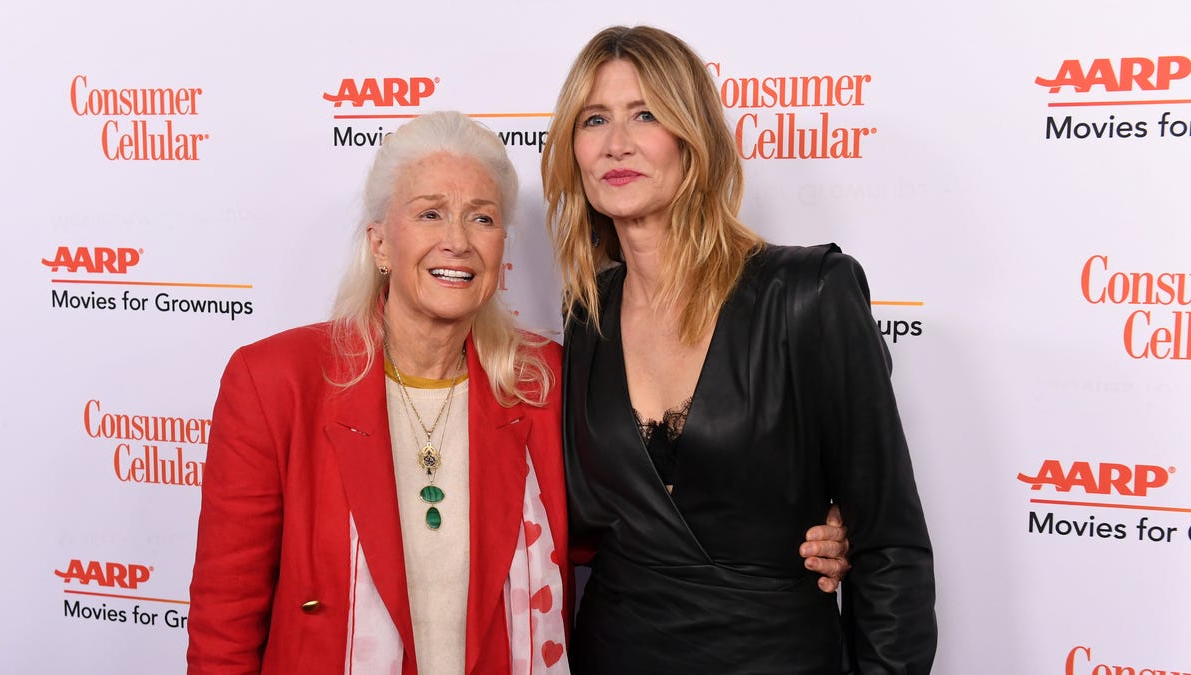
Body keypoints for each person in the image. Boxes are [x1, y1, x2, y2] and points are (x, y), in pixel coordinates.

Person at [541, 25, 937, 674]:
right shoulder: (587, 314)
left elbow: (890, 546)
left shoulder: (808, 294)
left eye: (645, 114)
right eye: (594, 119)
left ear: (691, 137)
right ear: (572, 147)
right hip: (614, 650)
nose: (616, 143)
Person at [187, 111, 572, 674]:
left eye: (482, 218)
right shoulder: (273, 381)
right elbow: (226, 617)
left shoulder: (541, 381)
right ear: (381, 244)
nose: (458, 241)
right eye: (430, 213)